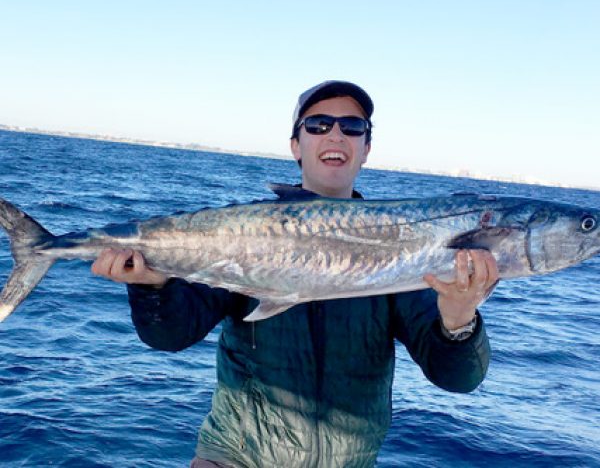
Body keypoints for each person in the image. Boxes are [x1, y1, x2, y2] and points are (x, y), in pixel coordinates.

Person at [92, 80, 498, 468]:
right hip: (234, 459)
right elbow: (169, 335)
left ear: (366, 148)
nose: (336, 135)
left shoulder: (405, 250)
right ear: (295, 145)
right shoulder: (244, 233)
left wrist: (459, 319)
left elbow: (457, 379)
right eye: (318, 125)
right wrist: (151, 289)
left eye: (352, 127)